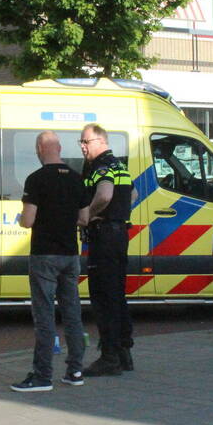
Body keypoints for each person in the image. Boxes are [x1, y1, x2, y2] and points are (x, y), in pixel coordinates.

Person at [10, 131, 90, 392]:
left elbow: (28, 220)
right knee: (72, 312)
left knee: (44, 315)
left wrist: (22, 219)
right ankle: (75, 371)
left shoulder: (36, 179)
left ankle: (43, 376)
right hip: (70, 254)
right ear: (59, 148)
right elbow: (84, 219)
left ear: (39, 149)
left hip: (44, 254)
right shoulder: (77, 180)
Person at [79, 123, 136, 376]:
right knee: (117, 294)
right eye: (81, 142)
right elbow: (132, 194)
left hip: (104, 236)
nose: (82, 146)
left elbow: (104, 194)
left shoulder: (100, 166)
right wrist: (118, 214)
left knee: (103, 297)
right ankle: (124, 352)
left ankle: (109, 357)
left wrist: (87, 216)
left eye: (86, 142)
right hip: (119, 234)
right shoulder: (119, 165)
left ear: (101, 141)